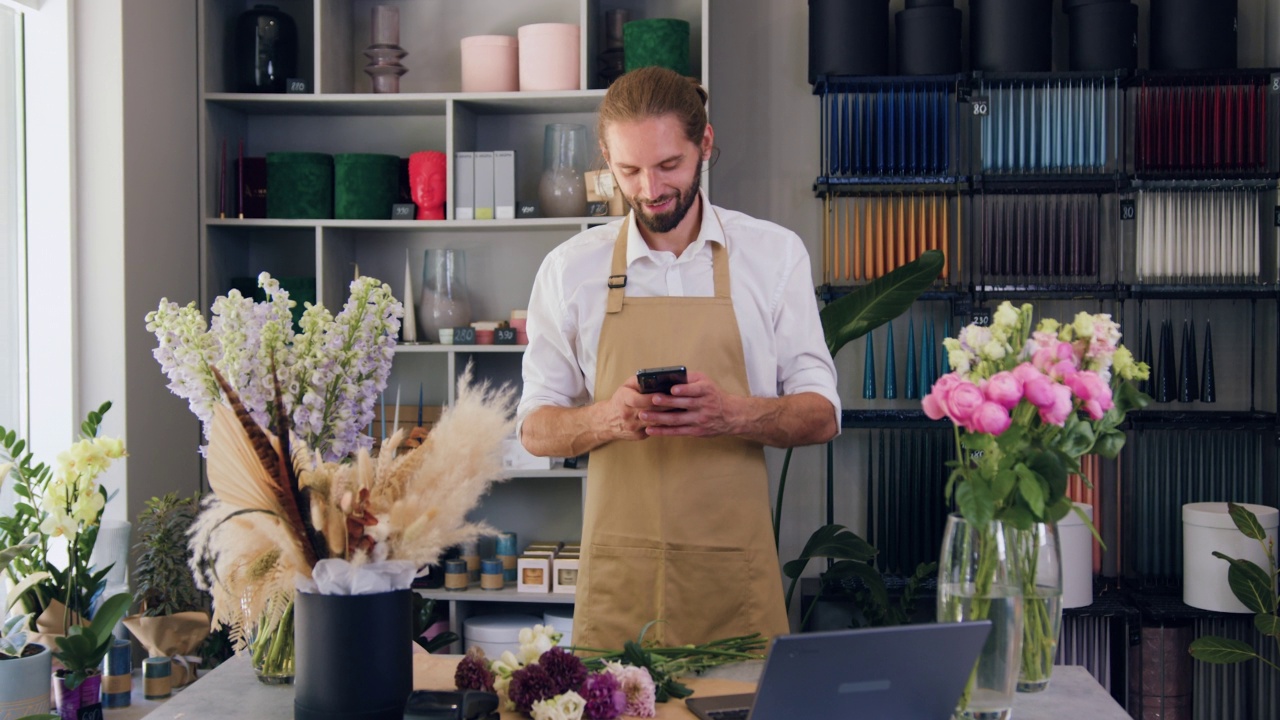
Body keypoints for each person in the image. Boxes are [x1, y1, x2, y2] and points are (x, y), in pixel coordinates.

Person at [517, 66, 840, 651]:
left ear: (705, 144)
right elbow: (536, 429)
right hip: (621, 583)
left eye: (669, 165)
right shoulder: (570, 269)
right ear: (607, 160)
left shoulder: (773, 256)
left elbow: (822, 414)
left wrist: (731, 415)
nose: (649, 189)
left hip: (732, 583)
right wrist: (606, 419)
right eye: (629, 170)